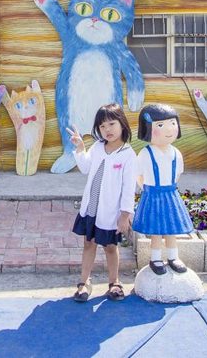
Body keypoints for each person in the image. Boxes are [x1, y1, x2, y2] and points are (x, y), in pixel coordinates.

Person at [68, 103, 137, 302]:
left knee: (109, 247)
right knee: (88, 243)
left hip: (110, 212)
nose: (107, 130)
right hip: (91, 208)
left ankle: (114, 282)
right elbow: (85, 168)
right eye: (102, 126)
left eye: (111, 124)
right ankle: (84, 282)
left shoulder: (128, 155)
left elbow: (128, 189)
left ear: (122, 124)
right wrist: (81, 148)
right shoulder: (98, 148)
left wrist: (125, 215)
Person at [133, 103, 194, 275]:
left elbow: (178, 174)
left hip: (170, 193)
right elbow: (139, 176)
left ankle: (173, 257)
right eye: (160, 125)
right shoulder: (146, 153)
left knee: (171, 228)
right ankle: (155, 258)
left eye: (172, 123)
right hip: (153, 194)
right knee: (156, 230)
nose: (169, 129)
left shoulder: (176, 152)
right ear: (147, 129)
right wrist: (147, 189)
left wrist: (170, 188)